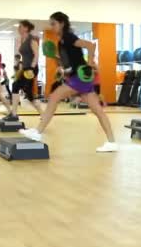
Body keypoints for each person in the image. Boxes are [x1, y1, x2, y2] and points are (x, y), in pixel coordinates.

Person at [19, 12, 117, 152]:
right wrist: (63, 69)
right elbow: (71, 60)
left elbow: (90, 45)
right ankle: (112, 142)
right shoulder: (62, 41)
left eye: (54, 24)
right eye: (51, 24)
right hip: (80, 77)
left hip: (80, 77)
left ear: (62, 23)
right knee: (98, 110)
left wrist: (89, 63)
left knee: (54, 97)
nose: (52, 27)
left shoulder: (68, 37)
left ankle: (38, 132)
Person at [4, 20, 44, 120]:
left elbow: (36, 55)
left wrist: (31, 68)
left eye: (20, 26)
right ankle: (43, 114)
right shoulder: (22, 39)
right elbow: (25, 56)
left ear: (26, 28)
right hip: (26, 68)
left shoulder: (32, 40)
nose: (18, 28)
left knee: (15, 85)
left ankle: (14, 114)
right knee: (29, 94)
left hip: (32, 68)